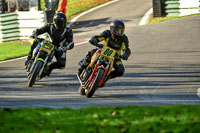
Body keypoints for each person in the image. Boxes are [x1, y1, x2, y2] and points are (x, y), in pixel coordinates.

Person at [78, 19, 131, 86]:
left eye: (121, 30)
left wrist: (125, 54)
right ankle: (82, 67)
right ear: (111, 29)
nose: (118, 32)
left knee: (120, 70)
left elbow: (126, 49)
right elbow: (99, 37)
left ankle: (105, 78)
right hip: (102, 51)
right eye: (116, 30)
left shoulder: (124, 38)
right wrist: (94, 39)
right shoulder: (107, 33)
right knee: (90, 52)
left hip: (115, 57)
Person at [25, 12, 74, 76]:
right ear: (56, 22)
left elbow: (71, 42)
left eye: (63, 22)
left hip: (59, 47)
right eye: (60, 22)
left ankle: (49, 68)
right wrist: (35, 34)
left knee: (62, 65)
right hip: (48, 43)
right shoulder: (49, 26)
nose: (62, 24)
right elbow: (39, 30)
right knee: (34, 41)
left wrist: (66, 47)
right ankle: (29, 58)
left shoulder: (68, 30)